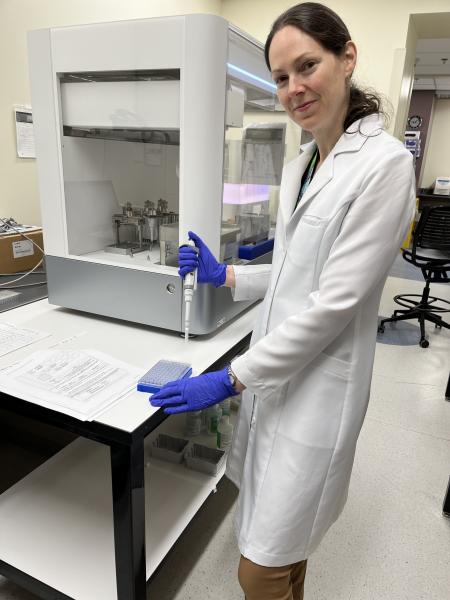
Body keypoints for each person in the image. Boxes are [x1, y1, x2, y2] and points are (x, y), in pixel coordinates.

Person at [151, 2, 416, 598]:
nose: (294, 89)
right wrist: (227, 278)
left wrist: (232, 378)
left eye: (307, 66)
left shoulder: (384, 166)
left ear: (347, 59)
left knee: (259, 567)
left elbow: (334, 303)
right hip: (281, 379)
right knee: (280, 548)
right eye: (280, 77)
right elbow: (298, 273)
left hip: (320, 387)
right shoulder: (302, 164)